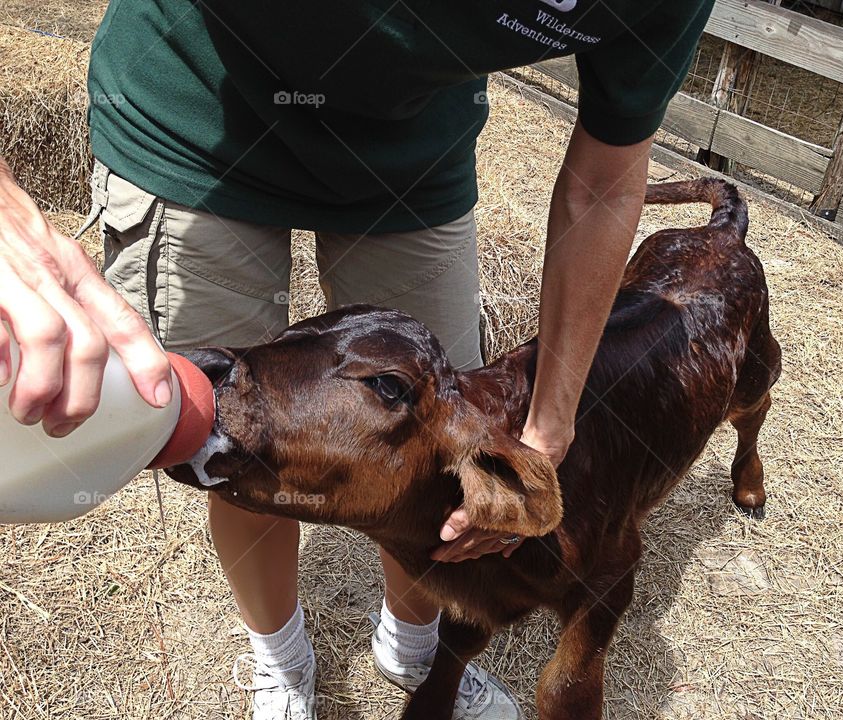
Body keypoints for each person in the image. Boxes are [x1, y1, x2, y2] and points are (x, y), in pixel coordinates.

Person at [0, 1, 714, 718]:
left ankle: (412, 644)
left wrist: (552, 425)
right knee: (225, 423)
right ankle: (281, 658)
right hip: (200, 120)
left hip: (408, 151)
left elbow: (606, 176)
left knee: (436, 444)